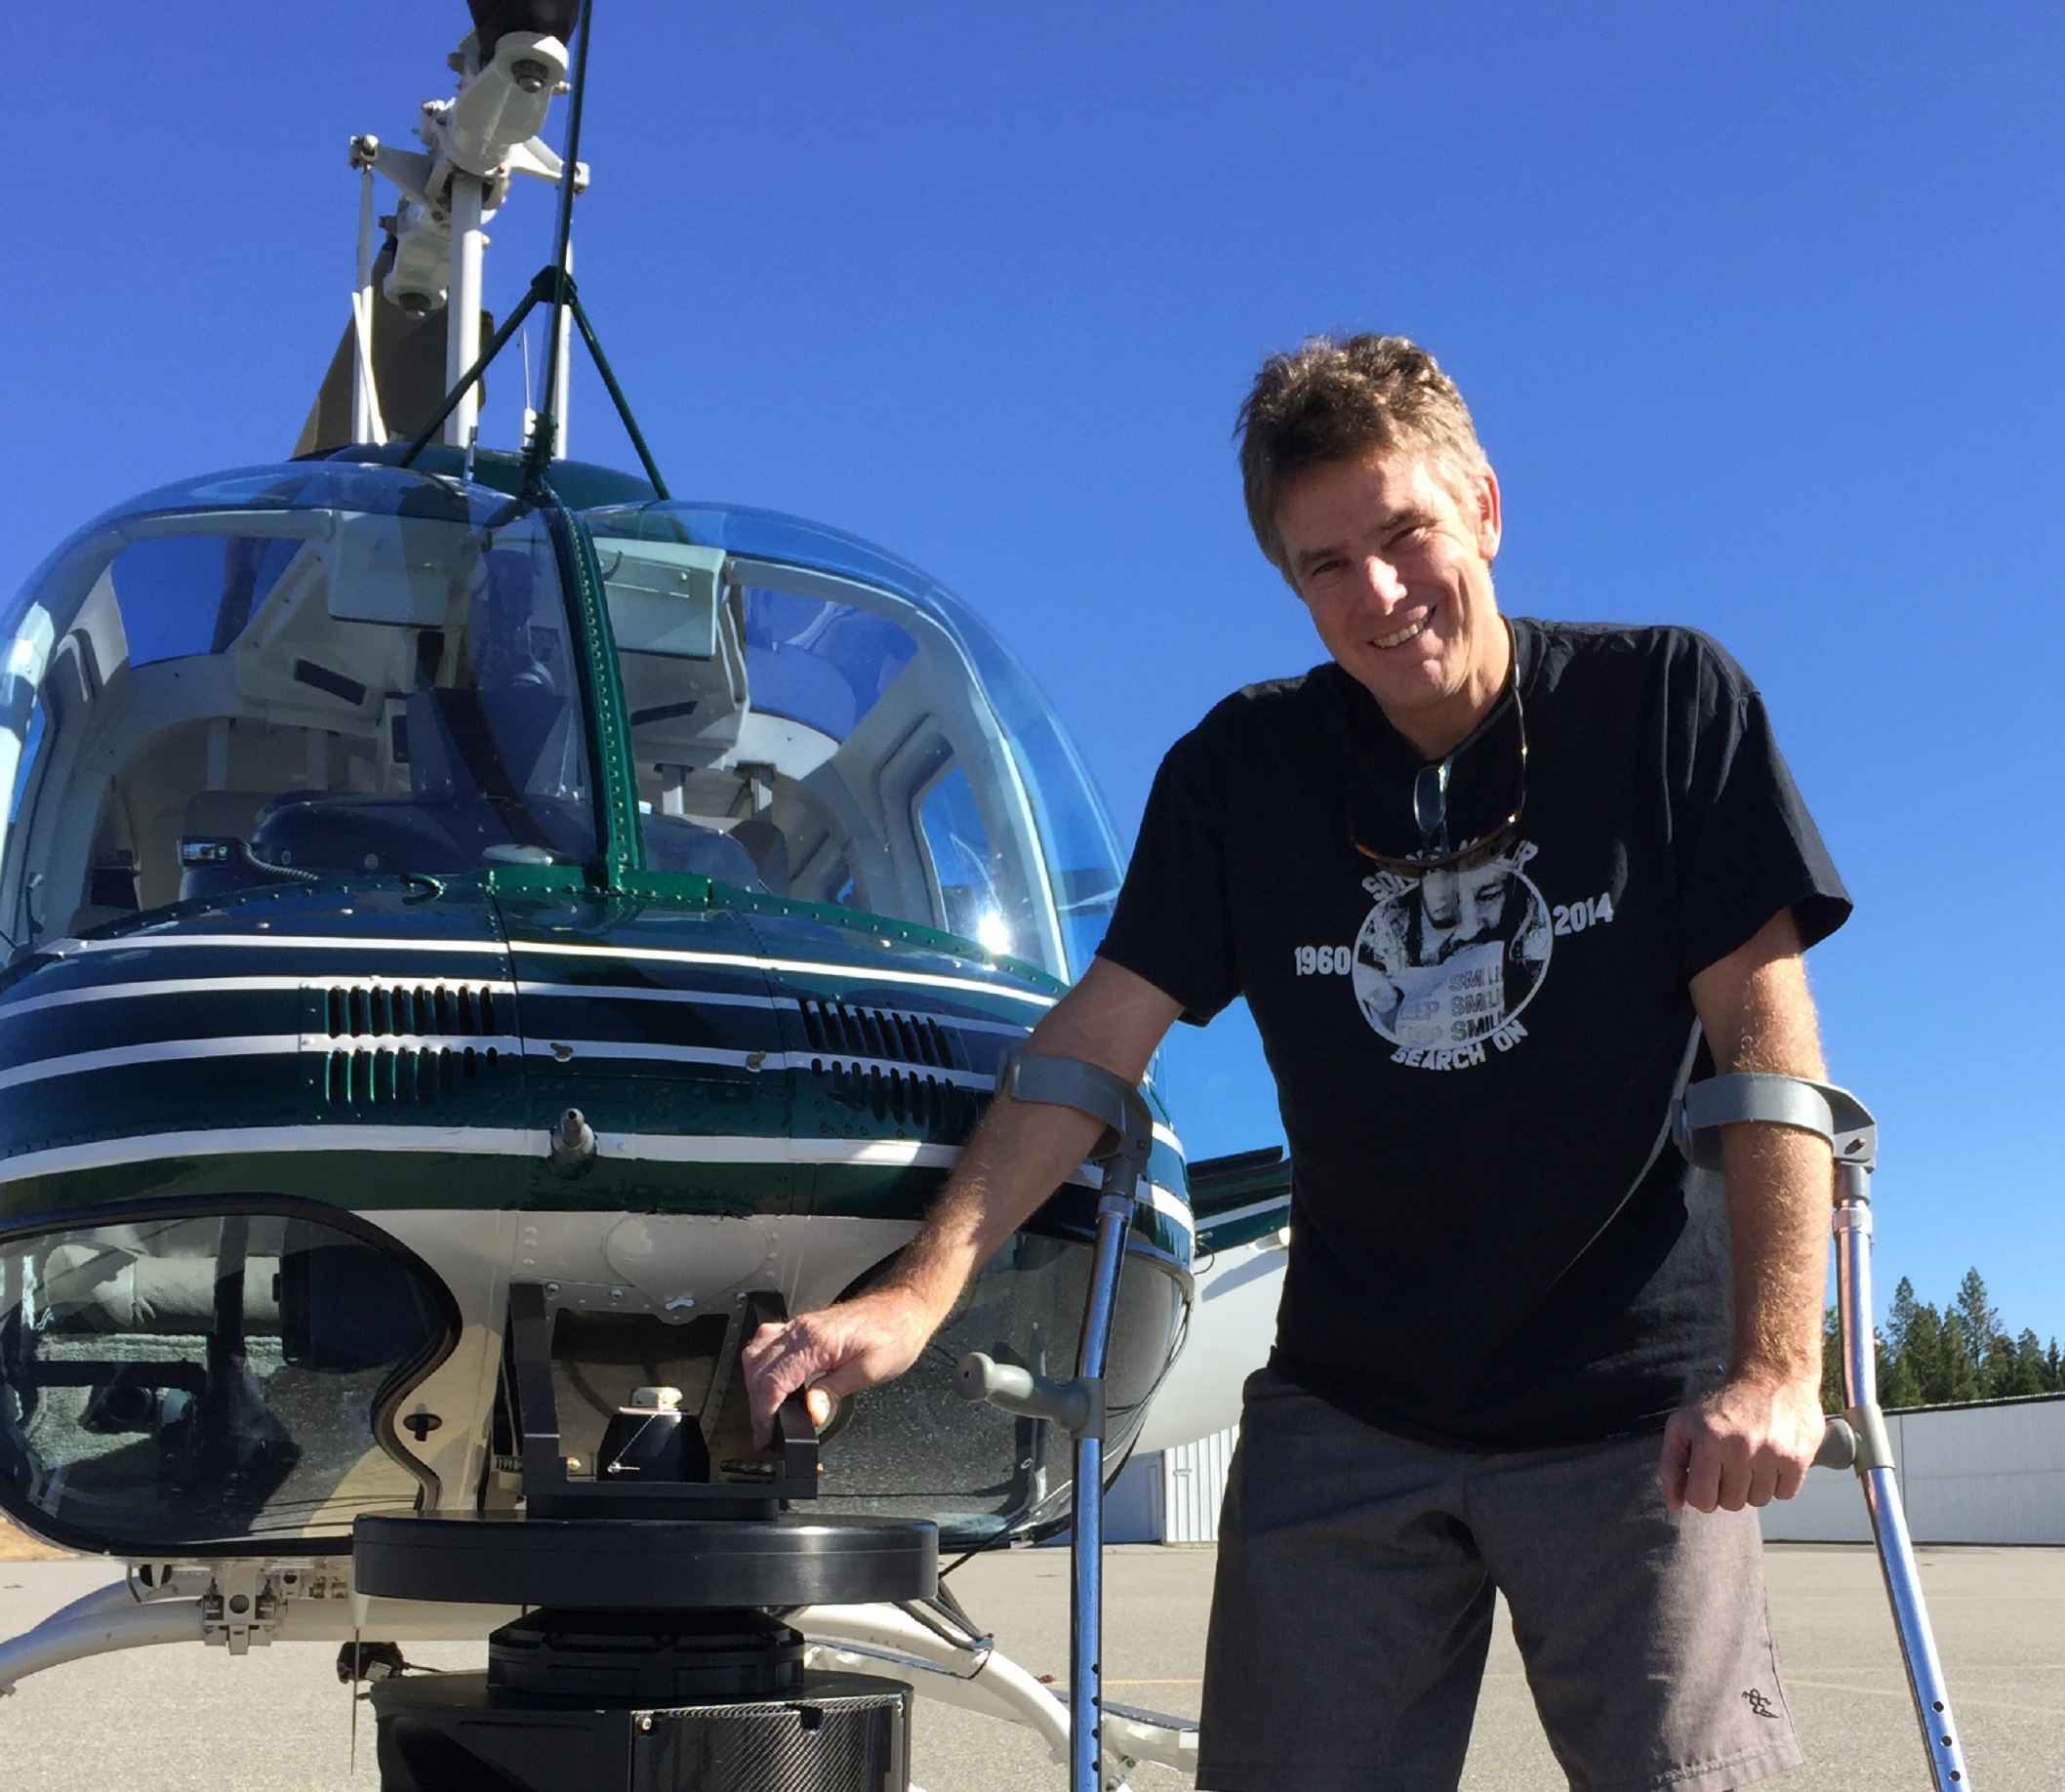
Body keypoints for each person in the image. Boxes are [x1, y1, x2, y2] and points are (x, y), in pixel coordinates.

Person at [746, 334, 1850, 1792]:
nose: (1380, 595)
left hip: (1634, 1411)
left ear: (1486, 509)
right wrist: (915, 1291)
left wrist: (1778, 1367)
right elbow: (1088, 1051)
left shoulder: (1664, 711)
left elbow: (1767, 1052)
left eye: (1406, 534)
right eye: (1327, 564)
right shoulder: (1240, 776)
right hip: (1354, 1402)